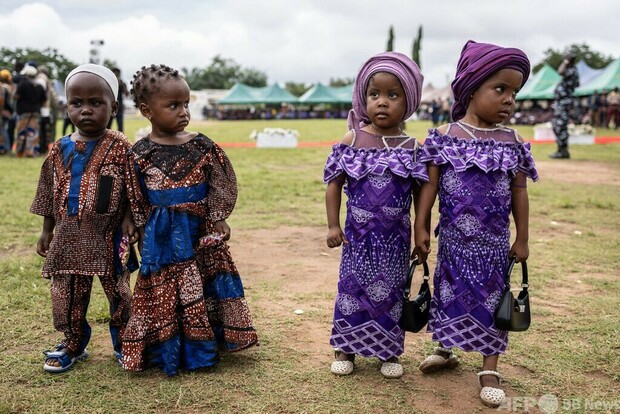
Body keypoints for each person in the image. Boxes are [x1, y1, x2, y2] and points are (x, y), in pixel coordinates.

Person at [413, 40, 539, 407]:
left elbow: (519, 192)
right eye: (500, 89)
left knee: (492, 299)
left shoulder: (512, 142)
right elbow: (430, 186)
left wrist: (523, 238)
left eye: (514, 92)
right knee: (449, 292)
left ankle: (489, 367)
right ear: (471, 89)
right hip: (453, 240)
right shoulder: (442, 138)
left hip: (494, 244)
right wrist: (421, 226)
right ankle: (445, 348)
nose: (509, 100)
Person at [121, 64, 258, 377]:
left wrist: (219, 215)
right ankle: (164, 346)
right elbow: (134, 192)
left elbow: (220, 182)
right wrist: (134, 222)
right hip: (160, 234)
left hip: (199, 228)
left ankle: (206, 344)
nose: (183, 112)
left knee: (204, 282)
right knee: (165, 288)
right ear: (146, 110)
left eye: (186, 104)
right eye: (173, 106)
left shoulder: (202, 145)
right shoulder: (139, 153)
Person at [30, 64, 145, 374]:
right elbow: (48, 190)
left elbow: (134, 188)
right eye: (76, 103)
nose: (85, 110)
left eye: (96, 103)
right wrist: (46, 231)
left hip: (108, 237)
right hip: (67, 237)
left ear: (114, 107)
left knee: (120, 294)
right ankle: (73, 342)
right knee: (67, 295)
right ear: (66, 105)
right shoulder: (59, 149)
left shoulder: (121, 146)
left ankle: (126, 343)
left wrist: (130, 219)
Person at [323, 52, 427, 379]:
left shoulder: (412, 147)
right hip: (358, 239)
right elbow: (333, 183)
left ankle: (389, 350)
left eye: (392, 95)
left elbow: (423, 192)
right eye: (374, 95)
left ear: (408, 101)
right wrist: (332, 224)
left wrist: (421, 228)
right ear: (363, 98)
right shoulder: (352, 140)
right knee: (352, 290)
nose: (382, 102)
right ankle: (345, 348)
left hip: (395, 242)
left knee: (393, 292)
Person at [550, 54, 579, 159]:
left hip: (564, 102)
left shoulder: (571, 70)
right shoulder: (573, 70)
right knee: (557, 126)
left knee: (560, 126)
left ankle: (563, 151)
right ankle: (561, 150)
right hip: (561, 102)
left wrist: (566, 62)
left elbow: (560, 71)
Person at [14, 64, 46, 157]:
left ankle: (20, 152)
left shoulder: (23, 83)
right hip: (36, 111)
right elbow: (44, 99)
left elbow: (16, 96)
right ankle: (32, 152)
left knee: (22, 132)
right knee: (33, 133)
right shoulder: (39, 85)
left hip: (24, 111)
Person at [107, 67, 129, 132]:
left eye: (117, 73)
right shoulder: (109, 83)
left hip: (119, 108)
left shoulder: (122, 83)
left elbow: (127, 94)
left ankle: (121, 141)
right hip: (110, 108)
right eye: (115, 72)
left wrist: (121, 85)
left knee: (120, 128)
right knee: (107, 127)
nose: (116, 74)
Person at [0, 69, 13, 154]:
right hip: (7, 111)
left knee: (3, 130)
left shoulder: (4, 87)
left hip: (4, 111)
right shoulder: (9, 86)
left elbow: (4, 101)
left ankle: (6, 147)